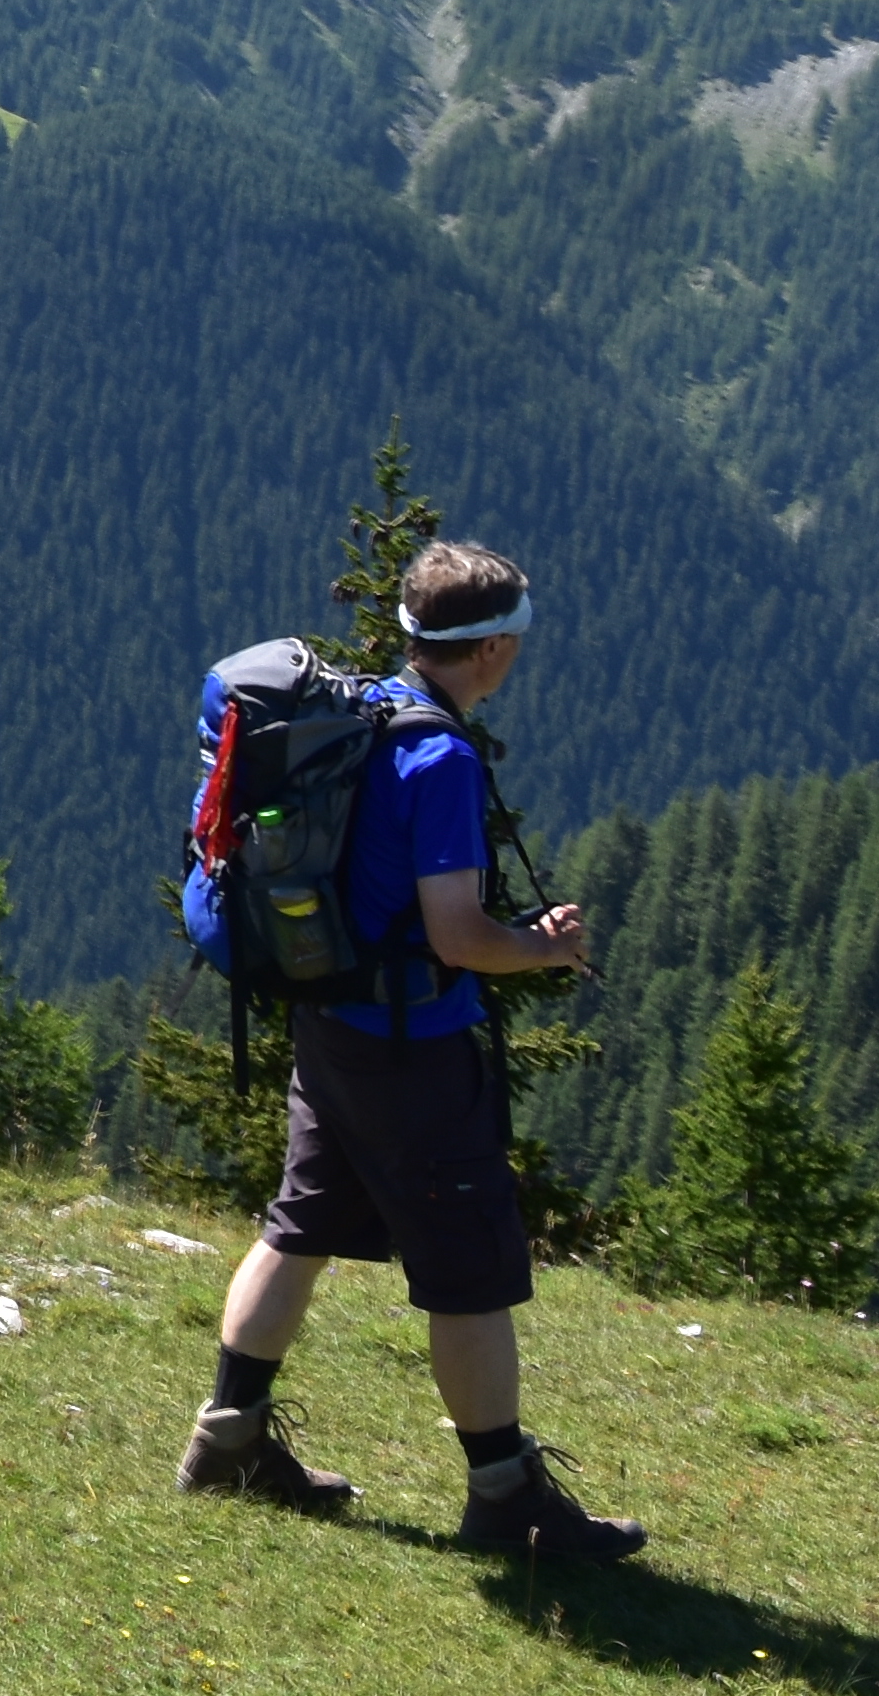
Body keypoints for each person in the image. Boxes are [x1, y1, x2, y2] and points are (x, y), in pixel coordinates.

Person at [175, 540, 649, 1564]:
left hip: (333, 1021)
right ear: (491, 649)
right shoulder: (441, 759)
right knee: (468, 1268)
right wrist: (543, 949)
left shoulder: (366, 718)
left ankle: (229, 1438)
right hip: (411, 1048)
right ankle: (506, 1496)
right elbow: (458, 937)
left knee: (300, 1223)